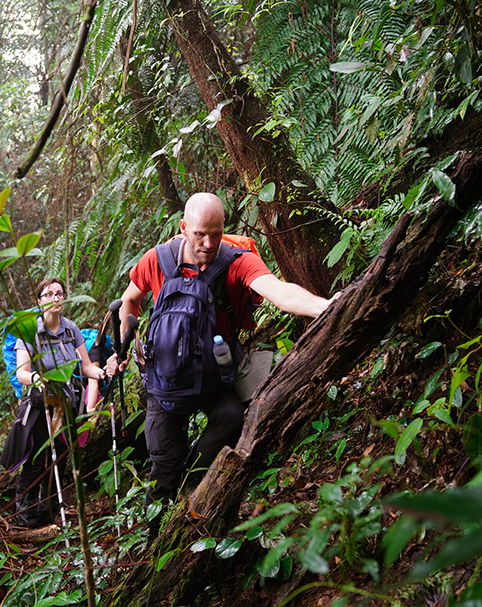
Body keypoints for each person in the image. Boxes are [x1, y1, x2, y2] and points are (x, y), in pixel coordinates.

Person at [118, 192, 337, 540]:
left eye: (216, 234)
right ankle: (153, 543)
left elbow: (278, 291)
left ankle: (197, 488)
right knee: (163, 468)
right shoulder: (156, 260)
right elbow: (130, 299)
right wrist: (126, 340)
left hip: (212, 375)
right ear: (183, 228)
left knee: (232, 418)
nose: (208, 243)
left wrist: (325, 306)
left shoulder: (237, 261)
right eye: (200, 234)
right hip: (167, 381)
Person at [12, 278, 114, 528]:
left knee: (60, 460)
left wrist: (103, 374)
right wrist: (36, 377)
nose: (55, 298)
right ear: (39, 301)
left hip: (67, 403)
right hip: (40, 404)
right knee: (38, 461)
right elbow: (21, 372)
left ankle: (48, 517)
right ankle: (24, 518)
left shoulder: (71, 329)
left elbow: (86, 366)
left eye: (59, 293)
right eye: (48, 294)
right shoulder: (29, 332)